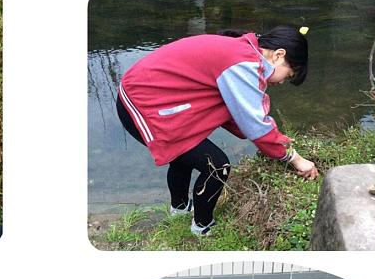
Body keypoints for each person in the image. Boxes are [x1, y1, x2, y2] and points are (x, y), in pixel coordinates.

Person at [117, 26, 319, 236]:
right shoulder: (245, 64)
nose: (283, 81)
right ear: (279, 55)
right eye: (289, 74)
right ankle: (202, 227)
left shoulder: (243, 52)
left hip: (146, 94)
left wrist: (264, 138)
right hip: (143, 104)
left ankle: (179, 211)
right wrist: (292, 157)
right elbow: (255, 124)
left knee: (182, 155)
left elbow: (240, 114)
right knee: (216, 165)